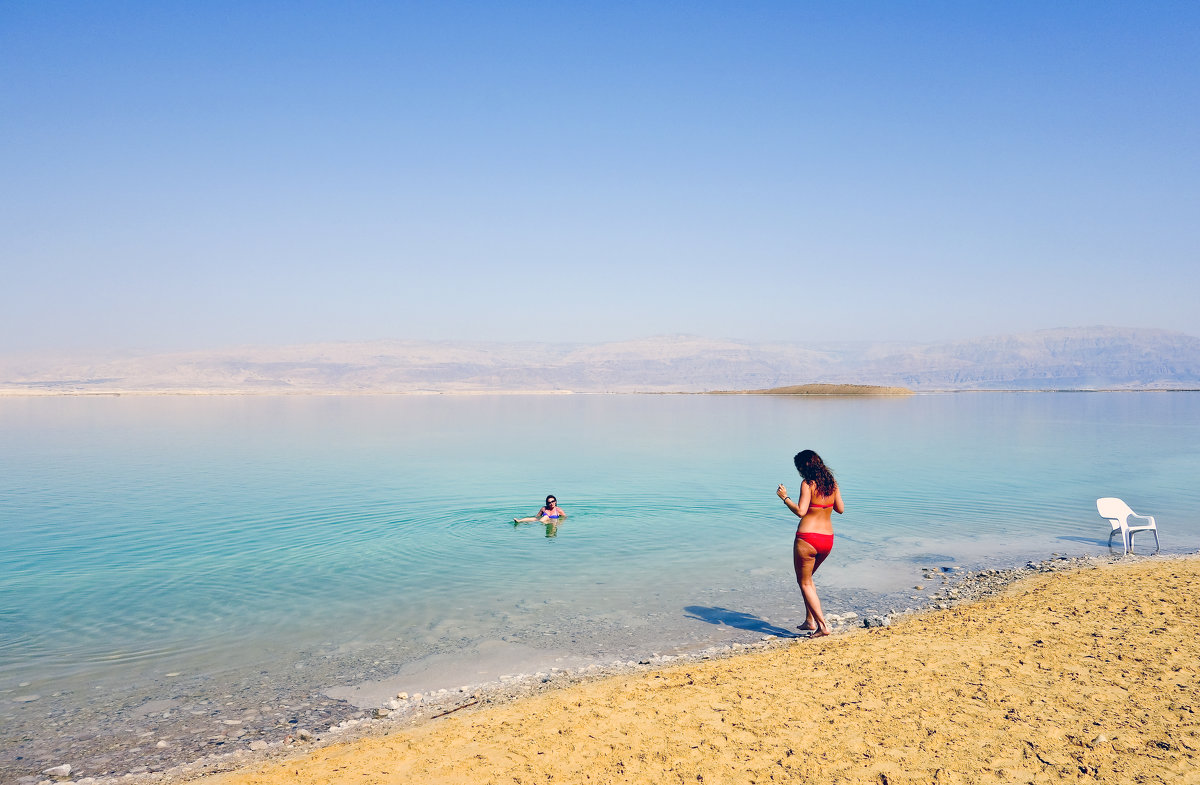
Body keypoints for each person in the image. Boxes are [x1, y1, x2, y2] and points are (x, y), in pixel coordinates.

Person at [776, 450, 844, 638]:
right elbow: (840, 509)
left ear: (802, 468)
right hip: (827, 540)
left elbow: (801, 511)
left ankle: (822, 626)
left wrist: (785, 498)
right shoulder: (832, 483)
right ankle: (810, 620)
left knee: (804, 582)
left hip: (808, 539)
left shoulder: (807, 484)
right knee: (808, 581)